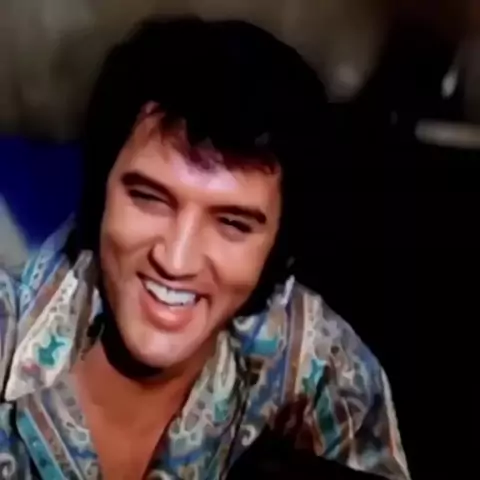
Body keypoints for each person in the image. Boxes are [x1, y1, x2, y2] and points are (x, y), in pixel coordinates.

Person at [0, 16, 410, 480]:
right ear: (101, 195)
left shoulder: (319, 365)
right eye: (149, 199)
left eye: (232, 224)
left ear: (279, 247)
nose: (175, 260)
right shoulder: (9, 335)